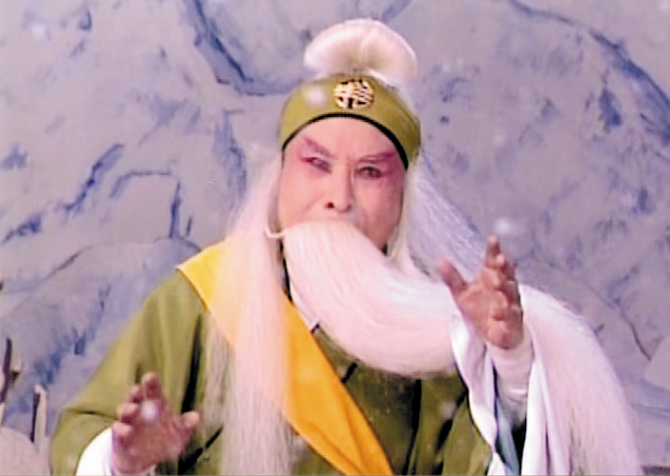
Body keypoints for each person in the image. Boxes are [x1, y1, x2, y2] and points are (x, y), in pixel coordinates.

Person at [50, 19, 640, 475]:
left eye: (370, 173)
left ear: (402, 199)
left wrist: (509, 367)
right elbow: (82, 435)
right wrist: (123, 460)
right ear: (280, 178)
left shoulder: (434, 342)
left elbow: (490, 464)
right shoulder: (196, 304)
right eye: (317, 164)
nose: (339, 197)